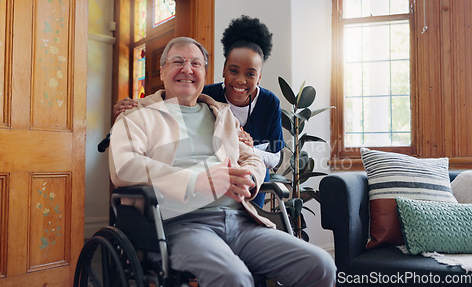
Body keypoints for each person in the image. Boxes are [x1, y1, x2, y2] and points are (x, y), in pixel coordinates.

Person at [109, 36, 336, 287]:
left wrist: (249, 176)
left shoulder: (221, 115)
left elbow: (250, 156)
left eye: (196, 63)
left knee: (320, 265)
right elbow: (124, 166)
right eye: (178, 61)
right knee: (233, 278)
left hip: (240, 222)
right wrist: (196, 181)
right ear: (162, 70)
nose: (187, 69)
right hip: (178, 225)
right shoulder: (136, 116)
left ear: (205, 73)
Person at [113, 15, 284, 208]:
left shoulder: (225, 112)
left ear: (259, 77)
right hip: (185, 212)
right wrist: (139, 106)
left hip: (239, 201)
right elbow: (171, 97)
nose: (240, 80)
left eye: (195, 64)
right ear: (223, 71)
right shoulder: (203, 95)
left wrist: (244, 166)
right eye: (177, 61)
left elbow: (262, 156)